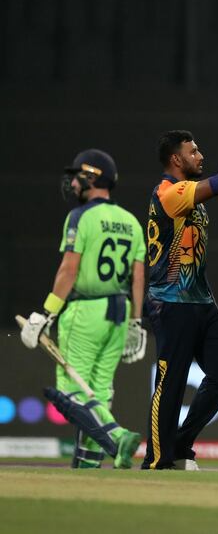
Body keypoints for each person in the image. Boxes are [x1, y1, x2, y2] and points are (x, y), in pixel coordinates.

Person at [142, 113, 218, 470]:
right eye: (193, 152)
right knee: (172, 381)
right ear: (176, 159)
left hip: (200, 303)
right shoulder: (171, 193)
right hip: (171, 302)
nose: (200, 156)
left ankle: (179, 444)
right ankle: (157, 459)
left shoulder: (187, 197)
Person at [21, 149, 146, 469]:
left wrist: (46, 313)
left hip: (86, 310)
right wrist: (135, 322)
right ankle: (89, 466)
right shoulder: (130, 221)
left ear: (92, 177)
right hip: (120, 312)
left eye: (78, 176)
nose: (73, 182)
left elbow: (69, 270)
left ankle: (117, 436)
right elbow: (138, 276)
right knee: (98, 393)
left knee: (71, 390)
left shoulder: (81, 217)